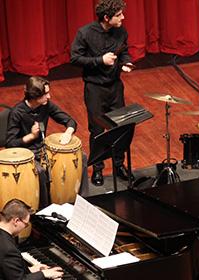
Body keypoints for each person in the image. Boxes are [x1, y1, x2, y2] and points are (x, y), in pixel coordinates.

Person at [71, 0, 135, 186]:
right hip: (95, 88)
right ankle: (97, 169)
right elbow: (75, 58)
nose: (123, 17)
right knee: (97, 129)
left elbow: (124, 52)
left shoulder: (121, 31)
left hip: (115, 86)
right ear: (107, 18)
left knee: (120, 127)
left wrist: (125, 63)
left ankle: (118, 165)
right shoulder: (85, 33)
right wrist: (100, 60)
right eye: (119, 15)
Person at [5, 76, 88, 207]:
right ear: (34, 96)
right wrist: (31, 136)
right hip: (27, 154)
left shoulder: (46, 105)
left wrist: (68, 132)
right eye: (46, 94)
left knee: (81, 157)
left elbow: (70, 121)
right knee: (41, 172)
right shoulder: (17, 112)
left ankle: (82, 201)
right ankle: (45, 209)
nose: (49, 97)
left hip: (44, 149)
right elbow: (10, 143)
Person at [0, 199, 64, 280]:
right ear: (16, 221)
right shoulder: (8, 249)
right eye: (26, 225)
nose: (25, 228)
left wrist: (29, 270)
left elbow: (7, 270)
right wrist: (43, 274)